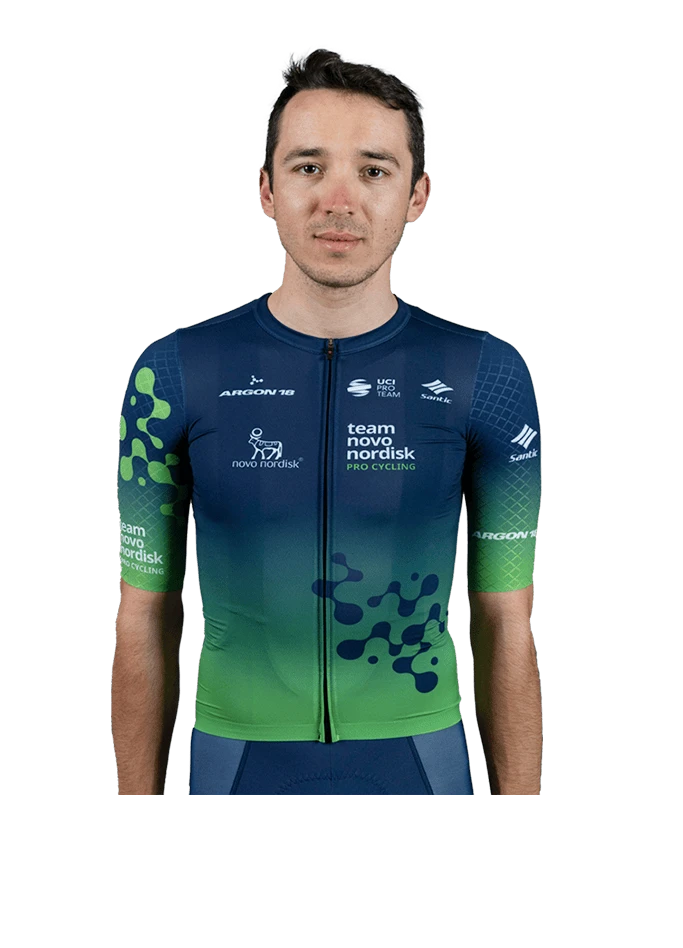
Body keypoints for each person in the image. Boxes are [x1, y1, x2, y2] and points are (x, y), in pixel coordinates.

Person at [111, 46, 543, 798]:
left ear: (417, 195)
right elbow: (143, 615)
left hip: (419, 768)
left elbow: (507, 622)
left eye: (373, 170)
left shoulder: (489, 377)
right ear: (267, 188)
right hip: (237, 769)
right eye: (309, 166)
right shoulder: (173, 374)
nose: (338, 200)